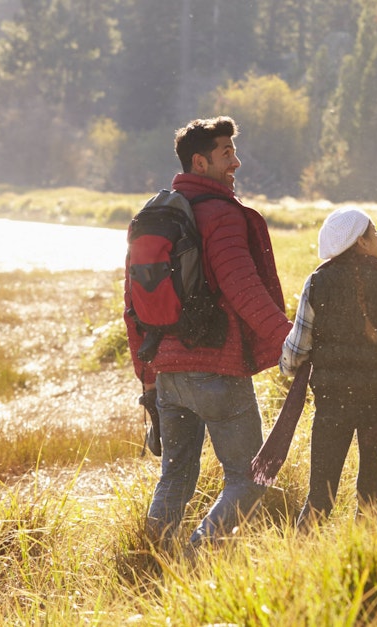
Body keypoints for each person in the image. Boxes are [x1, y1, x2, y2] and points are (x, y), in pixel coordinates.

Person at [126, 116, 291, 548]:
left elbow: (132, 308)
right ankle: (199, 556)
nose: (236, 162)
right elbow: (243, 287)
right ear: (200, 162)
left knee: (176, 476)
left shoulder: (152, 217)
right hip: (217, 369)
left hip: (168, 374)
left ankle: (155, 563)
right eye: (226, 154)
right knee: (251, 477)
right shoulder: (220, 215)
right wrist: (290, 340)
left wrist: (148, 376)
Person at [279, 208, 377, 527]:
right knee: (371, 494)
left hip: (331, 404)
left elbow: (294, 354)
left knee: (320, 497)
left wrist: (288, 364)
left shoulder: (316, 283)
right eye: (374, 232)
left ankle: (302, 562)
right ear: (360, 242)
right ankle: (364, 562)